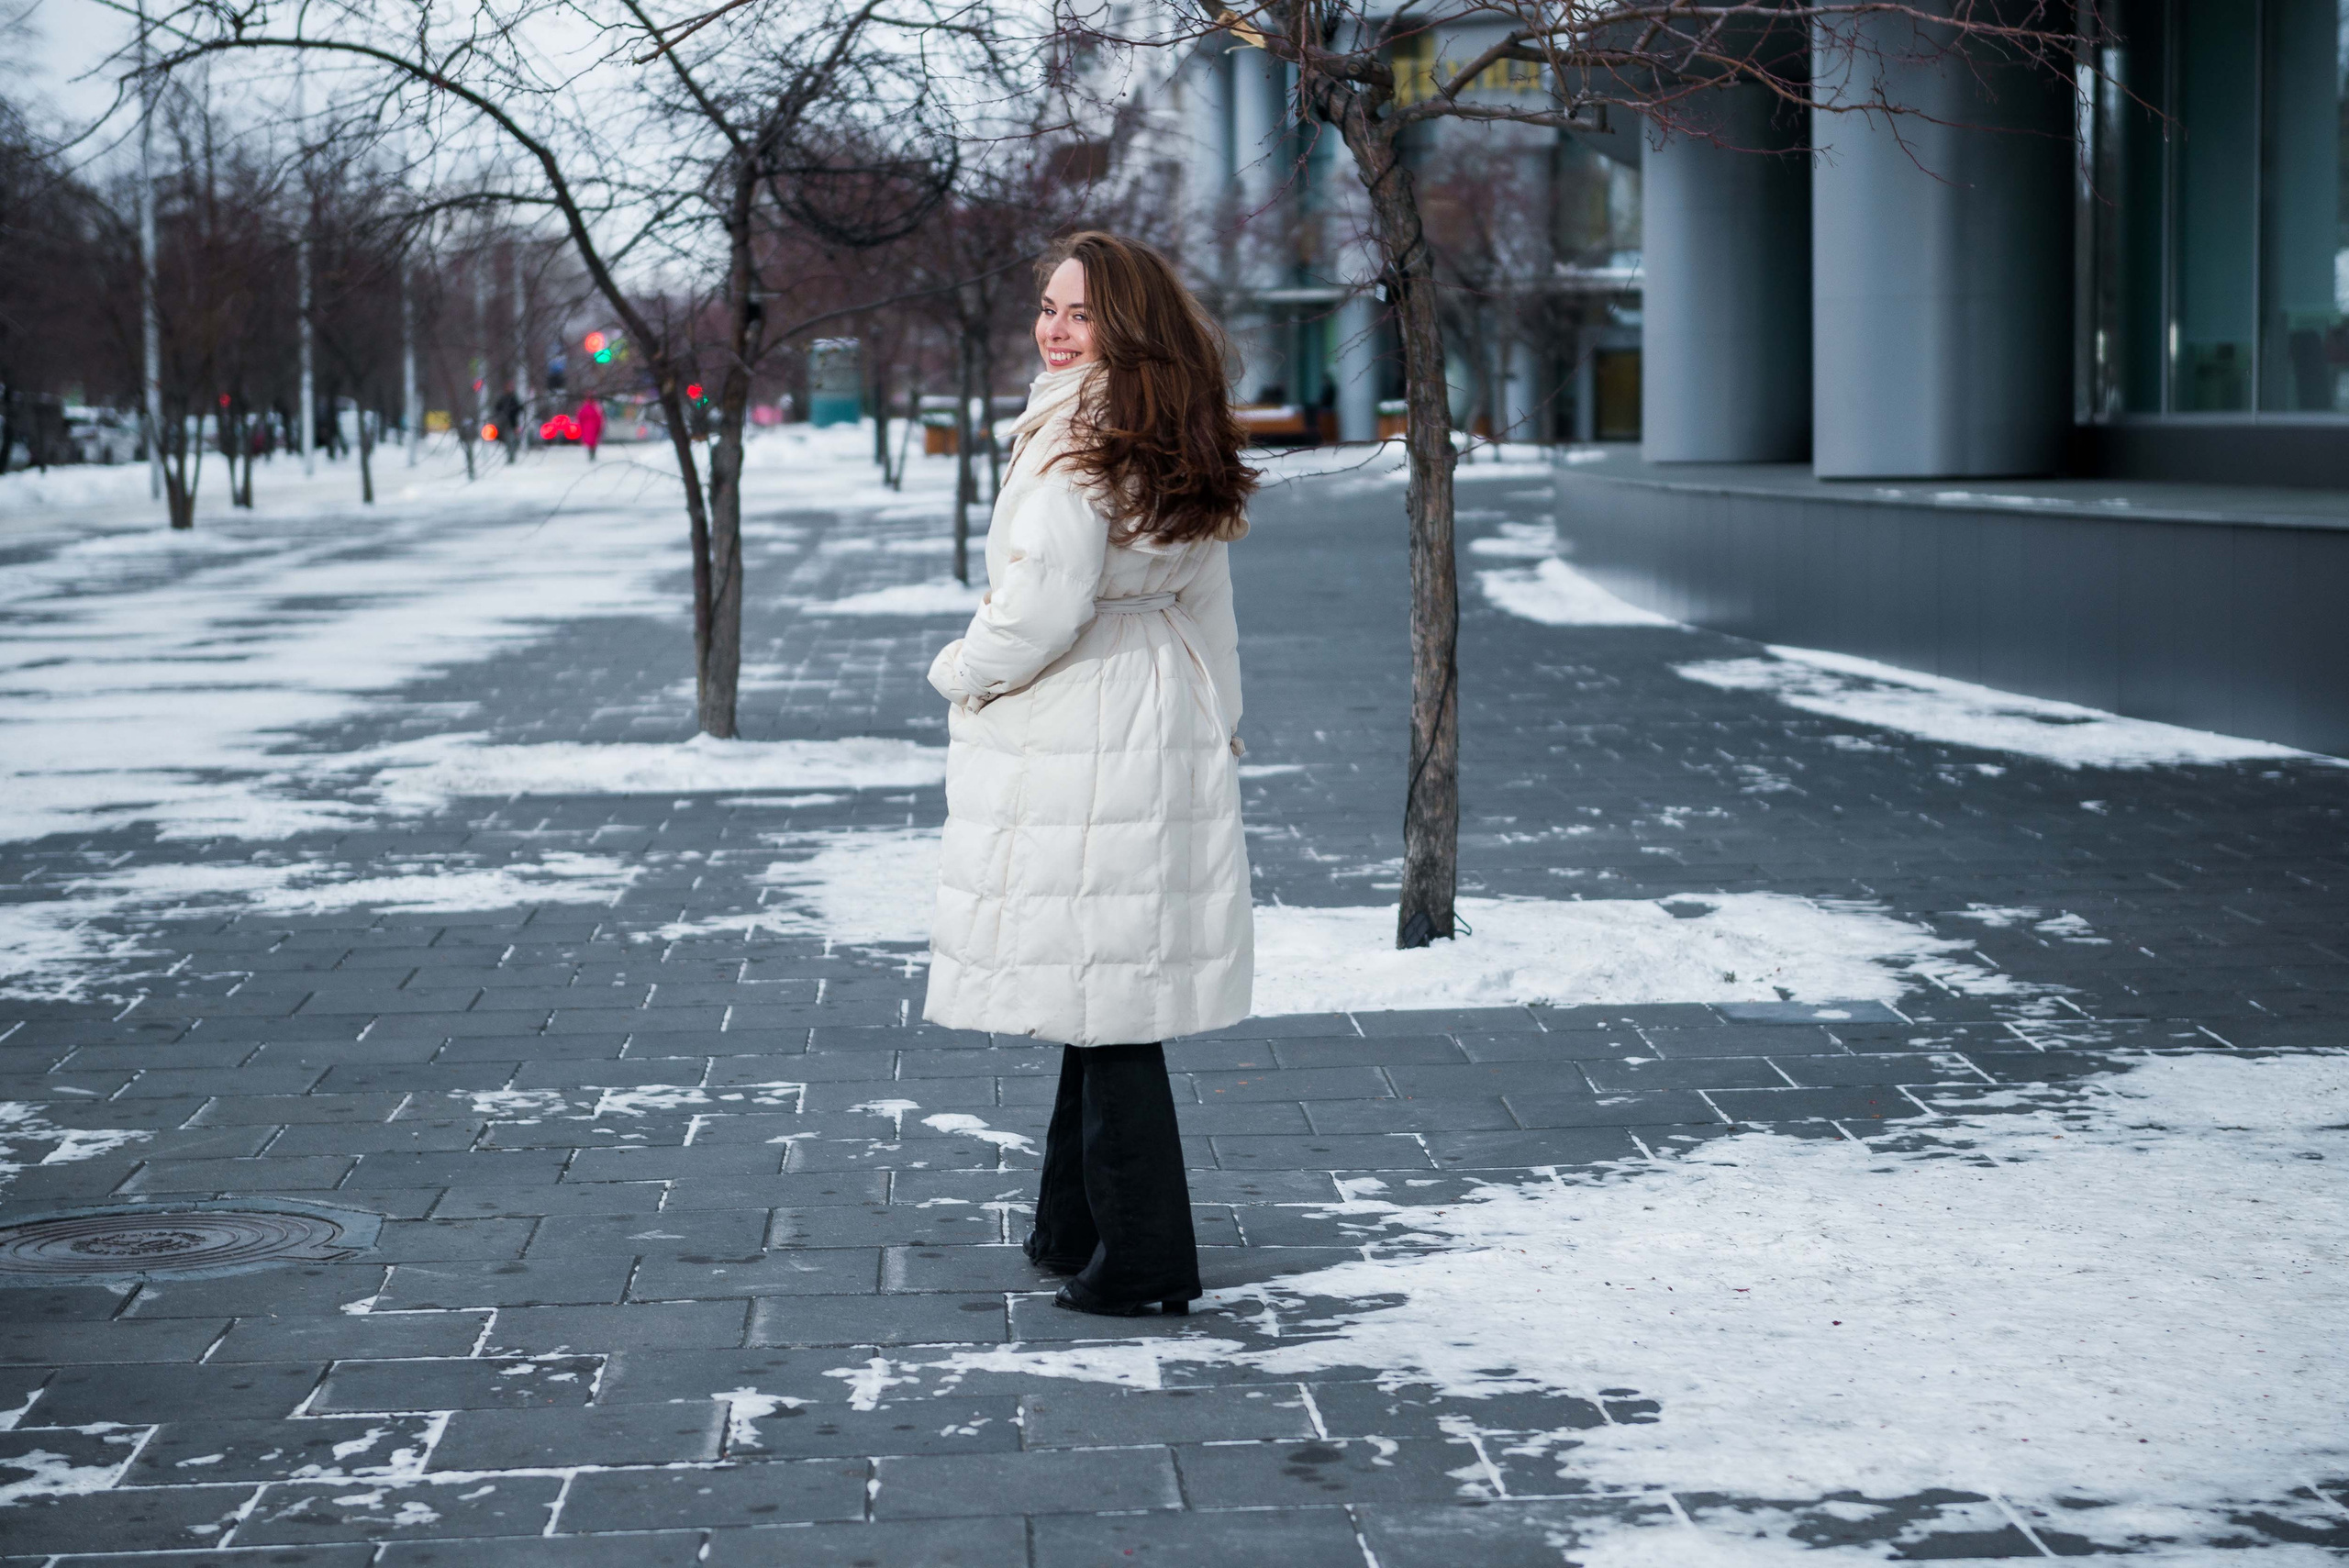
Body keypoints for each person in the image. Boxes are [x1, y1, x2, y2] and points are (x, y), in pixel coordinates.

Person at [925, 231, 1258, 1318]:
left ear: (1126, 322)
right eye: (1048, 307)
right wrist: (1221, 717)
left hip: (1087, 704)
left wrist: (960, 670)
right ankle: (1071, 1224)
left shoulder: (1078, 433)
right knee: (1104, 969)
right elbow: (1209, 598)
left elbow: (1041, 605)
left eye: (1078, 313)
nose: (1053, 329)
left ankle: (1149, 1258)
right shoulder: (1175, 421)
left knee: (1108, 993)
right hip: (1159, 692)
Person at [577, 396, 604, 460]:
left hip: (587, 428)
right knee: (593, 442)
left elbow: (580, 418)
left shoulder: (584, 408)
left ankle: (591, 455)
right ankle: (592, 455)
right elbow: (599, 419)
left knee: (590, 442)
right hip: (593, 427)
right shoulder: (596, 408)